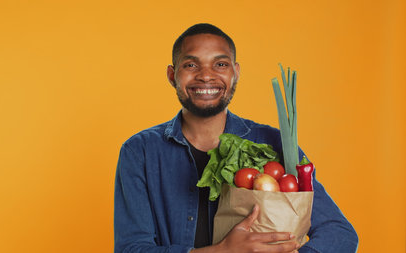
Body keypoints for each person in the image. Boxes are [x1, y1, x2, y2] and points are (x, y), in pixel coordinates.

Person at [114, 23, 358, 253]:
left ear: (236, 73)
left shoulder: (274, 144)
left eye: (220, 64)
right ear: (171, 75)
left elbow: (340, 233)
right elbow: (132, 248)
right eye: (191, 65)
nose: (206, 76)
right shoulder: (140, 151)